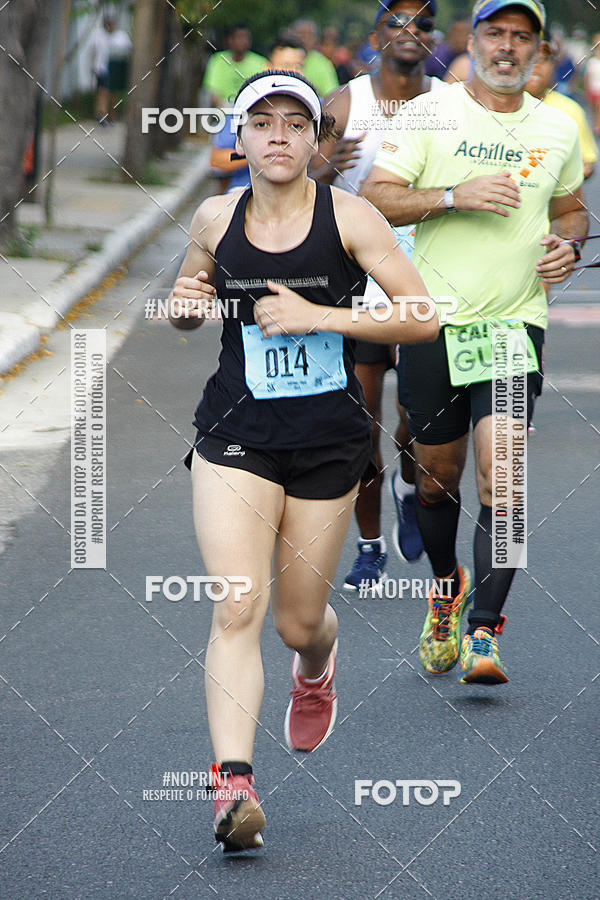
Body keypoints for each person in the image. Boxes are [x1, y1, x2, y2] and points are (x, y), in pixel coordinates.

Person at [168, 71, 437, 851]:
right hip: (234, 435)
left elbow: (420, 315)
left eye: (297, 122)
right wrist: (187, 307)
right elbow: (195, 291)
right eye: (263, 121)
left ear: (319, 141)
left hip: (328, 443)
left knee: (296, 622)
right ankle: (234, 788)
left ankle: (316, 668)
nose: (279, 135)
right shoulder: (215, 216)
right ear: (240, 138)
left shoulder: (350, 216)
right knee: (236, 608)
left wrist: (320, 313)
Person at [361, 0, 588, 684]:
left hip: (512, 326)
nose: (509, 47)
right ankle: (445, 587)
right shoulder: (431, 112)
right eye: (497, 33)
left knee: (506, 479)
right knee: (435, 482)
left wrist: (567, 247)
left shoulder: (559, 125)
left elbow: (572, 208)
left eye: (523, 37)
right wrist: (454, 195)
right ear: (475, 39)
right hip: (431, 323)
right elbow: (375, 195)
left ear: (538, 48)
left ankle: (485, 633)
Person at [312, 0, 444, 591]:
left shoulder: (451, 100)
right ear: (376, 35)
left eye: (422, 22)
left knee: (417, 421)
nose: (409, 31)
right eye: (397, 21)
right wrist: (321, 170)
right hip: (359, 285)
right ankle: (369, 548)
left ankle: (411, 487)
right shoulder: (345, 103)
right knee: (360, 424)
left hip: (431, 281)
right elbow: (292, 187)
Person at [209, 33, 306, 193]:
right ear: (268, 67)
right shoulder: (244, 107)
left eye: (299, 66)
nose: (292, 73)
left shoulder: (316, 109)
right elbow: (217, 160)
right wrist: (258, 154)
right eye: (285, 65)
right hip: (243, 195)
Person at [526, 37, 597, 180]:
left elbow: (588, 164)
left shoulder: (571, 110)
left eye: (544, 60)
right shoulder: (496, 106)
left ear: (554, 65)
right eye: (530, 59)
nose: (536, 66)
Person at [202, 23, 267, 106]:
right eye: (239, 38)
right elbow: (213, 94)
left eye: (245, 38)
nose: (243, 42)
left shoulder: (260, 62)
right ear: (230, 40)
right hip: (224, 111)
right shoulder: (218, 60)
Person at [292, 19, 339, 96]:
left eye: (309, 35)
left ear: (315, 39)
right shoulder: (281, 57)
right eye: (301, 34)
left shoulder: (323, 64)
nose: (304, 39)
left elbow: (332, 96)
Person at [426, 13, 471, 80]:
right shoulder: (436, 57)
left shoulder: (475, 59)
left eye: (465, 32)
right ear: (449, 33)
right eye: (457, 32)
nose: (461, 38)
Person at [106, 17, 132, 120]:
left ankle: (123, 113)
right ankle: (110, 114)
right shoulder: (104, 36)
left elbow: (128, 48)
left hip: (121, 63)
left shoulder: (121, 35)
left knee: (123, 90)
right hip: (111, 64)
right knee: (111, 91)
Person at [90, 15, 111, 123]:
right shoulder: (100, 36)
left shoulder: (107, 36)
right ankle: (101, 113)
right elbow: (94, 51)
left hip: (104, 68)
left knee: (101, 92)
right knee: (103, 92)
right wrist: (93, 65)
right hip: (101, 68)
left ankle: (100, 113)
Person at [584, 36, 600, 137]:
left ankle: (597, 127)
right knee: (593, 109)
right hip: (592, 89)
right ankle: (594, 125)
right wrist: (587, 89)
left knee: (599, 108)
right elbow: (587, 77)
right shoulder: (592, 62)